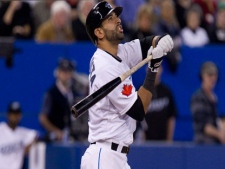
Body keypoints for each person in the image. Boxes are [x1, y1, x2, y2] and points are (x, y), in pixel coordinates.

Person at [81, 1, 174, 168]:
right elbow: (138, 111)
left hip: (114, 156)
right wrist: (153, 69)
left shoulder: (117, 52)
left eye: (116, 16)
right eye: (110, 19)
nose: (118, 20)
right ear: (99, 32)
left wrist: (161, 40)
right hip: (105, 156)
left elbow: (146, 43)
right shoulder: (105, 65)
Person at [39, 58, 88, 143]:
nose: (65, 74)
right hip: (57, 138)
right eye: (63, 71)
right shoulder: (51, 93)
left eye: (68, 71)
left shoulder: (75, 92)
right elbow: (43, 118)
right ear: (57, 73)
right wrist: (56, 131)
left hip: (73, 137)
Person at [136, 65, 177, 142]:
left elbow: (171, 116)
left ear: (161, 70)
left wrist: (169, 139)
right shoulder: (140, 91)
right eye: (151, 68)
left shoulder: (166, 91)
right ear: (147, 70)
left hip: (163, 141)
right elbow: (135, 118)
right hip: (145, 141)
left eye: (157, 68)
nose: (154, 71)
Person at [190, 61, 225, 144]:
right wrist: (219, 134)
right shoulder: (198, 97)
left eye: (215, 75)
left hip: (214, 143)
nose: (213, 78)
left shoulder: (213, 97)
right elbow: (202, 125)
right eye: (209, 75)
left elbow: (214, 121)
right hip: (203, 143)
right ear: (203, 76)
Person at [0, 101, 37, 169]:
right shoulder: (1, 129)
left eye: (17, 114)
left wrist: (29, 146)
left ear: (20, 116)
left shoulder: (23, 133)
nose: (15, 117)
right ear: (8, 115)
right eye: (13, 114)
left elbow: (36, 135)